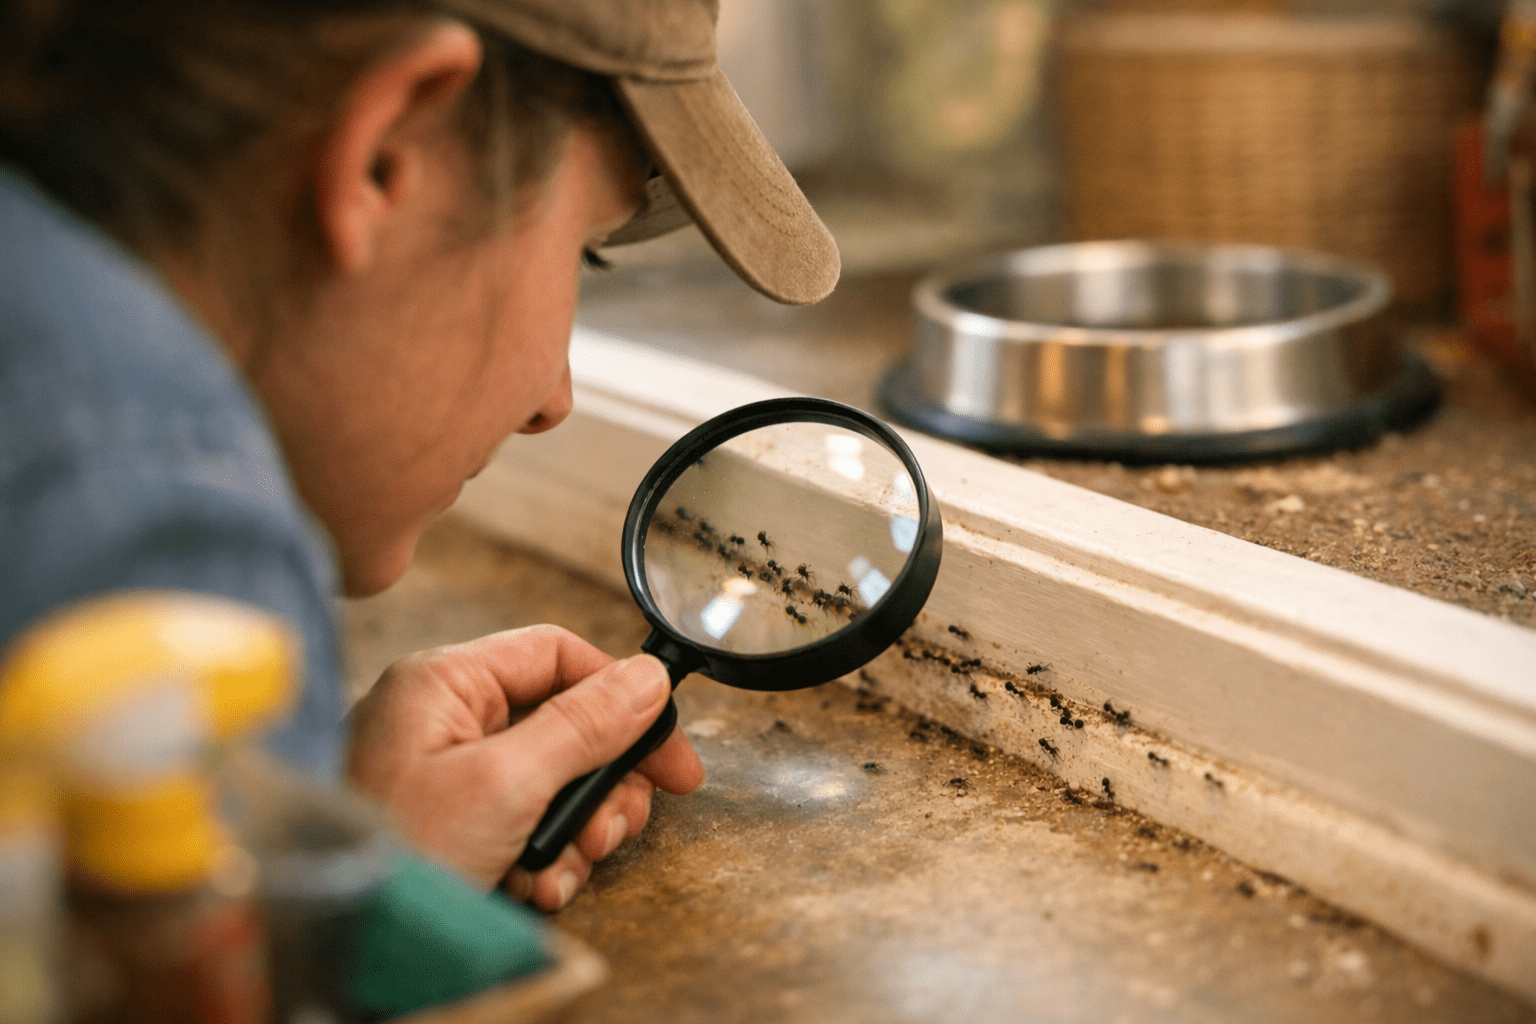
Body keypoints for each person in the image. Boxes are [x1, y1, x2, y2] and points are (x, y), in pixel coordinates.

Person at [0, 0, 839, 911]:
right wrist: (337, 917)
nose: (553, 401)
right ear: (387, 153)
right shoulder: (157, 533)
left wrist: (318, 832)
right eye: (585, 252)